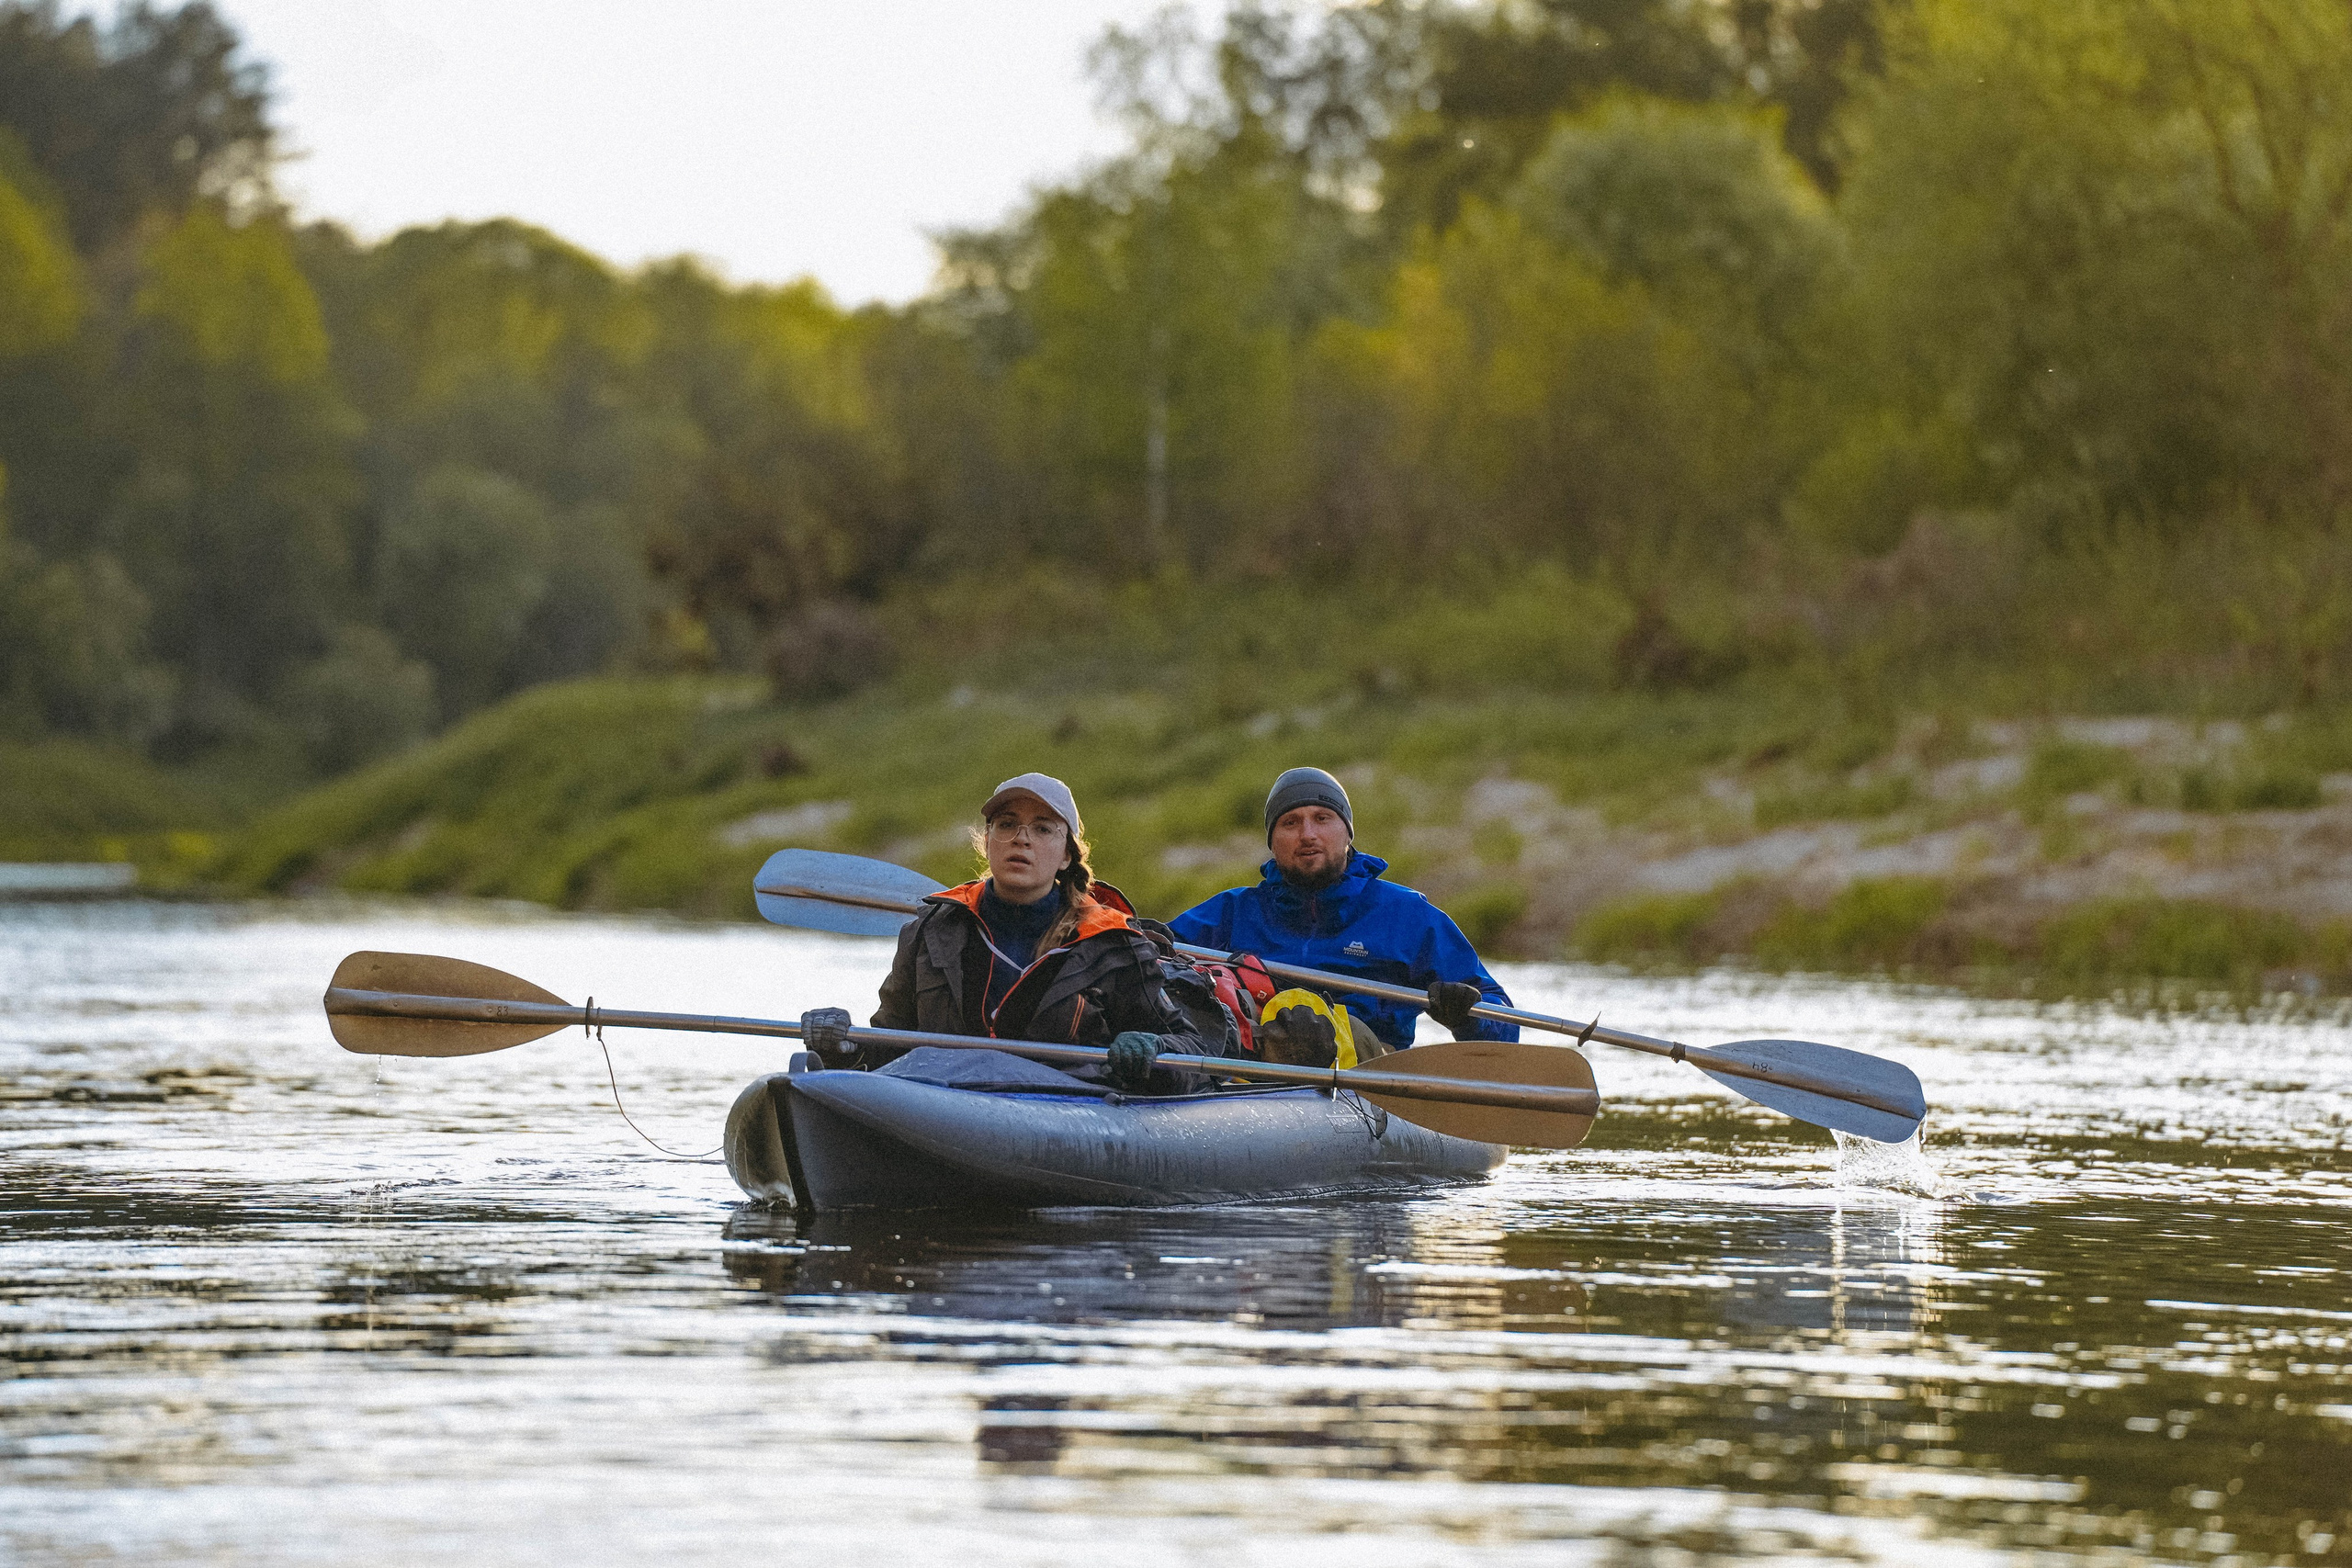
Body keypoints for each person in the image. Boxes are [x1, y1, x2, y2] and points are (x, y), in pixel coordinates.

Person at [801, 773, 1208, 1093]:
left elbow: (1190, 1049)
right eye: (1006, 824)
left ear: (1067, 854)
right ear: (988, 842)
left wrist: (1154, 1049)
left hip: (1067, 1111)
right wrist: (844, 1046)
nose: (1021, 839)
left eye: (1043, 828)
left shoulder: (1115, 946)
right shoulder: (931, 930)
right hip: (940, 1100)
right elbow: (890, 1046)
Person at [1166, 766, 1518, 1063]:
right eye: (1290, 823)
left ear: (1347, 833)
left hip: (1367, 1065)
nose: (1307, 835)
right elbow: (1149, 953)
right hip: (1251, 1053)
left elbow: (1502, 1020)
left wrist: (1467, 1015)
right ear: (1273, 842)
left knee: (1301, 1017)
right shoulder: (1232, 910)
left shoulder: (1406, 914)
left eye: (1322, 819)